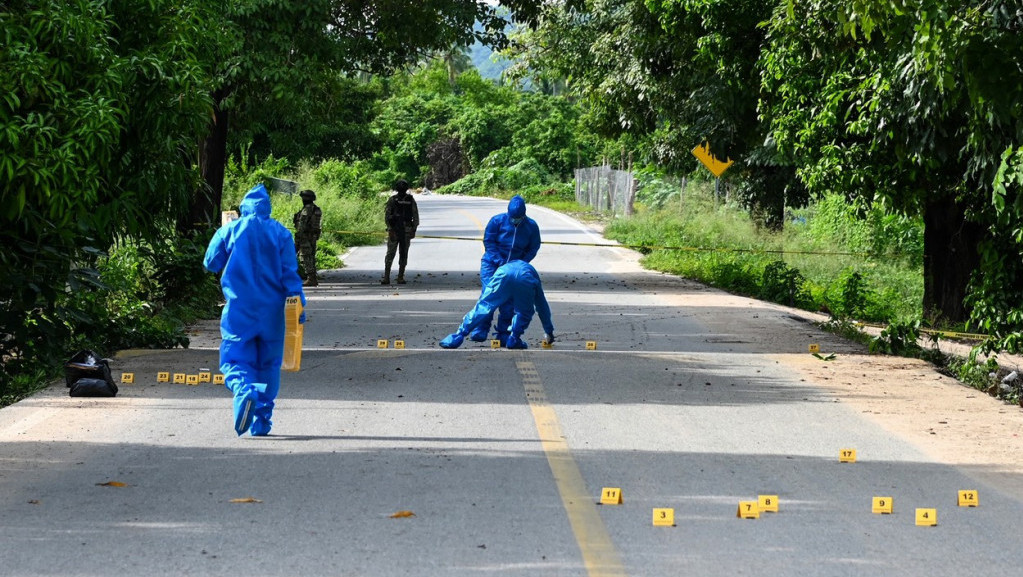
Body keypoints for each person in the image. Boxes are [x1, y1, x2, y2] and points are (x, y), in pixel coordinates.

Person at [204, 183, 306, 437]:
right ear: (267, 208)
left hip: (240, 309)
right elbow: (291, 276)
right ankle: (262, 421)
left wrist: (226, 237)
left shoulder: (230, 229)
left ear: (244, 206)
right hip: (274, 313)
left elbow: (210, 263)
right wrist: (299, 307)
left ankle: (243, 389)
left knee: (236, 359)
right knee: (268, 364)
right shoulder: (282, 234)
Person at [440, 260, 554, 350]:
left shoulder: (505, 267)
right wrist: (549, 331)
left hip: (503, 274)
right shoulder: (532, 273)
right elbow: (542, 306)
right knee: (524, 312)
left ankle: (457, 336)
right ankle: (514, 339)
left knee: (484, 306)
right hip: (525, 278)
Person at [471, 195, 541, 342]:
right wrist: (499, 260)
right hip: (492, 264)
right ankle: (481, 328)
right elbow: (489, 242)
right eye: (512, 217)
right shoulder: (497, 221)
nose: (515, 220)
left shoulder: (531, 227)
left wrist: (520, 263)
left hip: (513, 268)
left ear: (524, 215)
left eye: (518, 218)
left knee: (510, 299)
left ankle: (504, 332)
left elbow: (533, 248)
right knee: (489, 294)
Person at [381, 180, 419, 285]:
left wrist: (413, 229)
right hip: (395, 229)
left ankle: (400, 277)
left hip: (406, 230)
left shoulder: (410, 200)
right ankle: (387, 277)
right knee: (390, 254)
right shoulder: (393, 200)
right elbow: (388, 216)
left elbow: (415, 216)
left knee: (403, 253)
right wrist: (390, 229)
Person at [293, 189, 322, 287]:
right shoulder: (316, 209)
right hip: (313, 236)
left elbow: (302, 225)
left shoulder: (306, 210)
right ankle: (312, 277)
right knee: (311, 256)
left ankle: (311, 278)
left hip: (305, 236)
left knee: (305, 257)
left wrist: (297, 238)